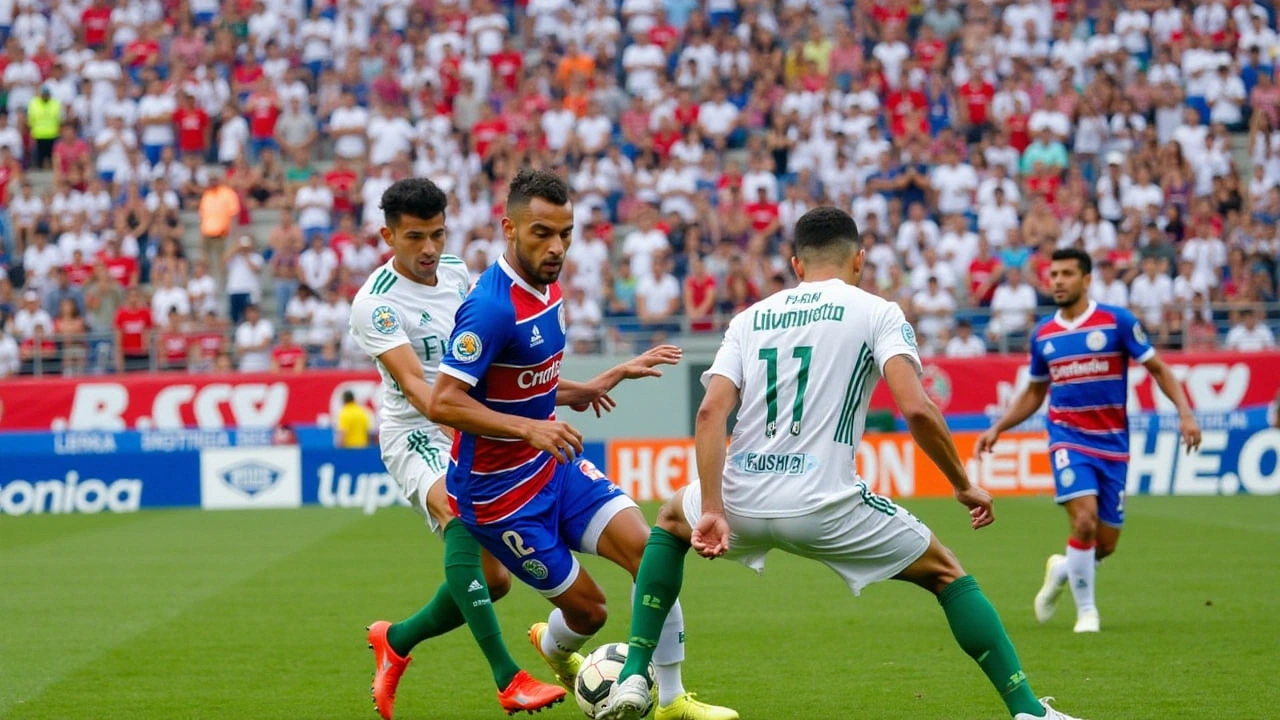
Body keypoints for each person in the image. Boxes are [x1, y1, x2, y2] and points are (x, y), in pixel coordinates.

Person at [599, 208, 1084, 720]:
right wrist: (963, 485)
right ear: (859, 259)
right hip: (824, 503)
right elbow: (917, 408)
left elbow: (710, 411)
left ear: (794, 263)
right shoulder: (877, 311)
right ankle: (1027, 709)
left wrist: (715, 506)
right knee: (946, 573)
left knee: (671, 520)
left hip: (741, 497)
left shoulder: (750, 318)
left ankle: (634, 673)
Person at [427, 169, 737, 720]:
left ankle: (670, 699)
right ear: (509, 229)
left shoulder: (550, 288)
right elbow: (444, 402)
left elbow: (529, 382)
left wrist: (591, 385)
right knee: (591, 614)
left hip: (553, 466)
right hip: (499, 497)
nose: (557, 247)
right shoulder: (490, 308)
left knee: (652, 552)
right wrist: (530, 429)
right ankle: (553, 646)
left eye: (565, 233)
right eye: (542, 233)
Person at [348, 178, 566, 718]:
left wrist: (561, 390)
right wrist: (479, 424)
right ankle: (507, 678)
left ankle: (395, 640)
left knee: (493, 582)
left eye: (437, 235)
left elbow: (481, 362)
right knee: (458, 512)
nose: (428, 250)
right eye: (415, 237)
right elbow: (424, 393)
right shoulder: (374, 306)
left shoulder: (454, 272)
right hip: (418, 433)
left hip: (466, 423)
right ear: (388, 236)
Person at [978, 247, 1202, 634]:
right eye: (1054, 274)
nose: (1058, 281)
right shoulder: (1043, 335)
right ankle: (1087, 613)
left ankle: (1064, 567)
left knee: (1106, 542)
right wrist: (999, 426)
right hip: (1067, 437)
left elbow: (1159, 369)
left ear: (1086, 279)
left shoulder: (1116, 322)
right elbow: (1034, 392)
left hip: (1113, 444)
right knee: (1083, 521)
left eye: (1067, 274)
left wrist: (1184, 412)